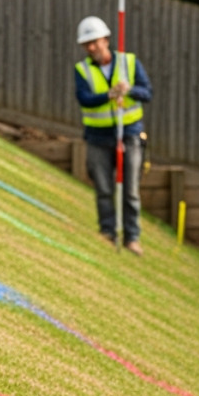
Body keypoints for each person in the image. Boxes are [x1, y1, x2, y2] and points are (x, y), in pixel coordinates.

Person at [73, 16, 152, 255]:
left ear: (106, 39)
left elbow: (147, 92)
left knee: (130, 189)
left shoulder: (129, 62)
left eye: (94, 42)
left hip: (129, 134)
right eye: (86, 44)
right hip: (98, 136)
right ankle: (107, 231)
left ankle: (132, 237)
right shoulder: (82, 69)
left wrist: (129, 90)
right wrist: (108, 94)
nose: (90, 48)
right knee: (104, 187)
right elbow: (84, 99)